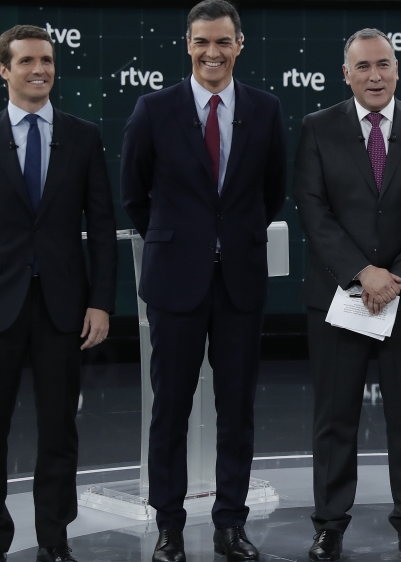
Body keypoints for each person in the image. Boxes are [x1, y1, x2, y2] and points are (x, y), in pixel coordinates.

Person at [0, 24, 117, 562]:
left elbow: (103, 227)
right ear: (4, 70)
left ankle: (54, 539)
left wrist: (101, 301)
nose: (39, 69)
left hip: (65, 307)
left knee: (59, 431)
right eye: (27, 61)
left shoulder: (84, 135)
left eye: (46, 60)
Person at [120, 1, 286, 560]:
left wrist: (228, 239)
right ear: (186, 45)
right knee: (171, 405)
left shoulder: (265, 110)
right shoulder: (153, 109)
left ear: (240, 45)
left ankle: (229, 523)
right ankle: (168, 523)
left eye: (222, 42)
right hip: (174, 283)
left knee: (237, 409)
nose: (211, 52)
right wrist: (181, 241)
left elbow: (272, 192)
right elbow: (134, 198)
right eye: (201, 42)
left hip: (239, 282)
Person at [293, 27, 401, 562]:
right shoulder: (317, 128)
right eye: (363, 67)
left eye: (383, 64)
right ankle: (329, 525)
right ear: (346, 74)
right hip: (339, 298)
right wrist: (363, 272)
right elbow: (312, 209)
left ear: (397, 68)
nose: (375, 75)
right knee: (334, 417)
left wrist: (394, 277)